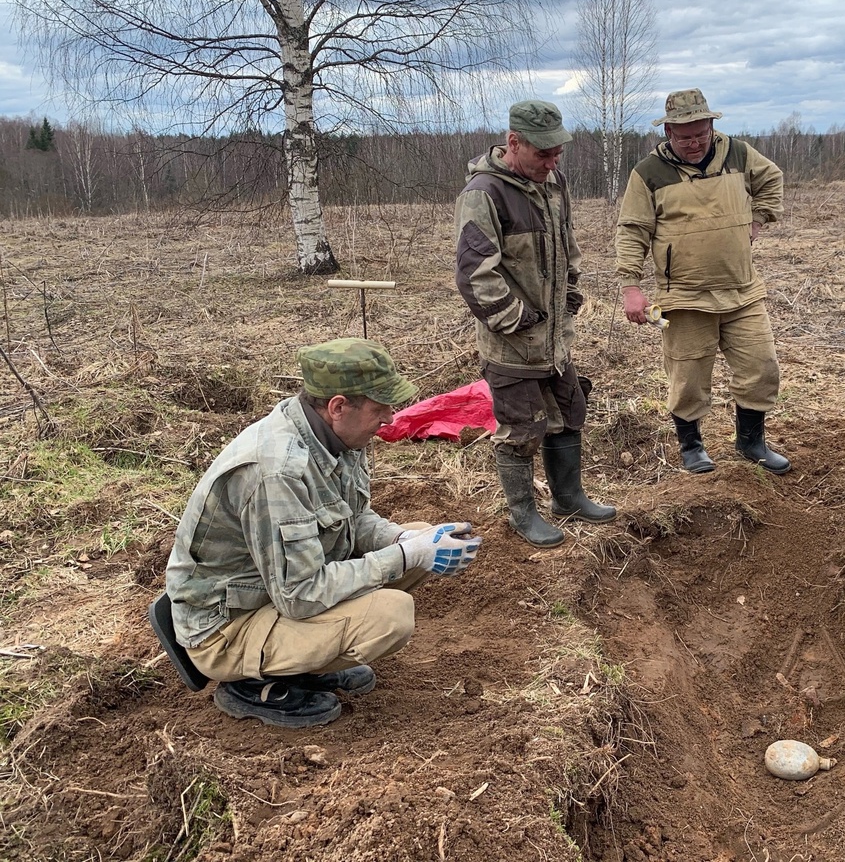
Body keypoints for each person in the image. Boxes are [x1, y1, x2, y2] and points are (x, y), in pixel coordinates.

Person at [165, 338, 482, 728]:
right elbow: (299, 595)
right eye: (379, 406)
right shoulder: (277, 472)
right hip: (228, 629)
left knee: (419, 535)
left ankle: (307, 662)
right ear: (337, 406)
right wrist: (405, 556)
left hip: (274, 593)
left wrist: (405, 542)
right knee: (390, 616)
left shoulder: (335, 436)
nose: (390, 417)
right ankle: (250, 683)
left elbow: (354, 518)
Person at [455, 100, 616, 549]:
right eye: (543, 154)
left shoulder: (554, 183)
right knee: (520, 429)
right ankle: (522, 513)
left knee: (568, 415)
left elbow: (568, 245)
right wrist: (518, 320)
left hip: (555, 340)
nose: (553, 162)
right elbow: (474, 274)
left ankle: (569, 497)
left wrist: (570, 294)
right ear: (514, 143)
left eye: (557, 152)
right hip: (512, 345)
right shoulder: (484, 193)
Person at [615, 88, 789, 475]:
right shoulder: (648, 173)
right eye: (684, 137)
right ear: (669, 133)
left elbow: (772, 179)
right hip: (686, 296)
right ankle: (692, 446)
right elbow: (632, 230)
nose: (694, 144)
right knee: (688, 377)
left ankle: (751, 442)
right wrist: (631, 285)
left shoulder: (739, 154)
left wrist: (758, 218)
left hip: (742, 290)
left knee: (761, 368)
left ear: (711, 125)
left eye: (701, 134)